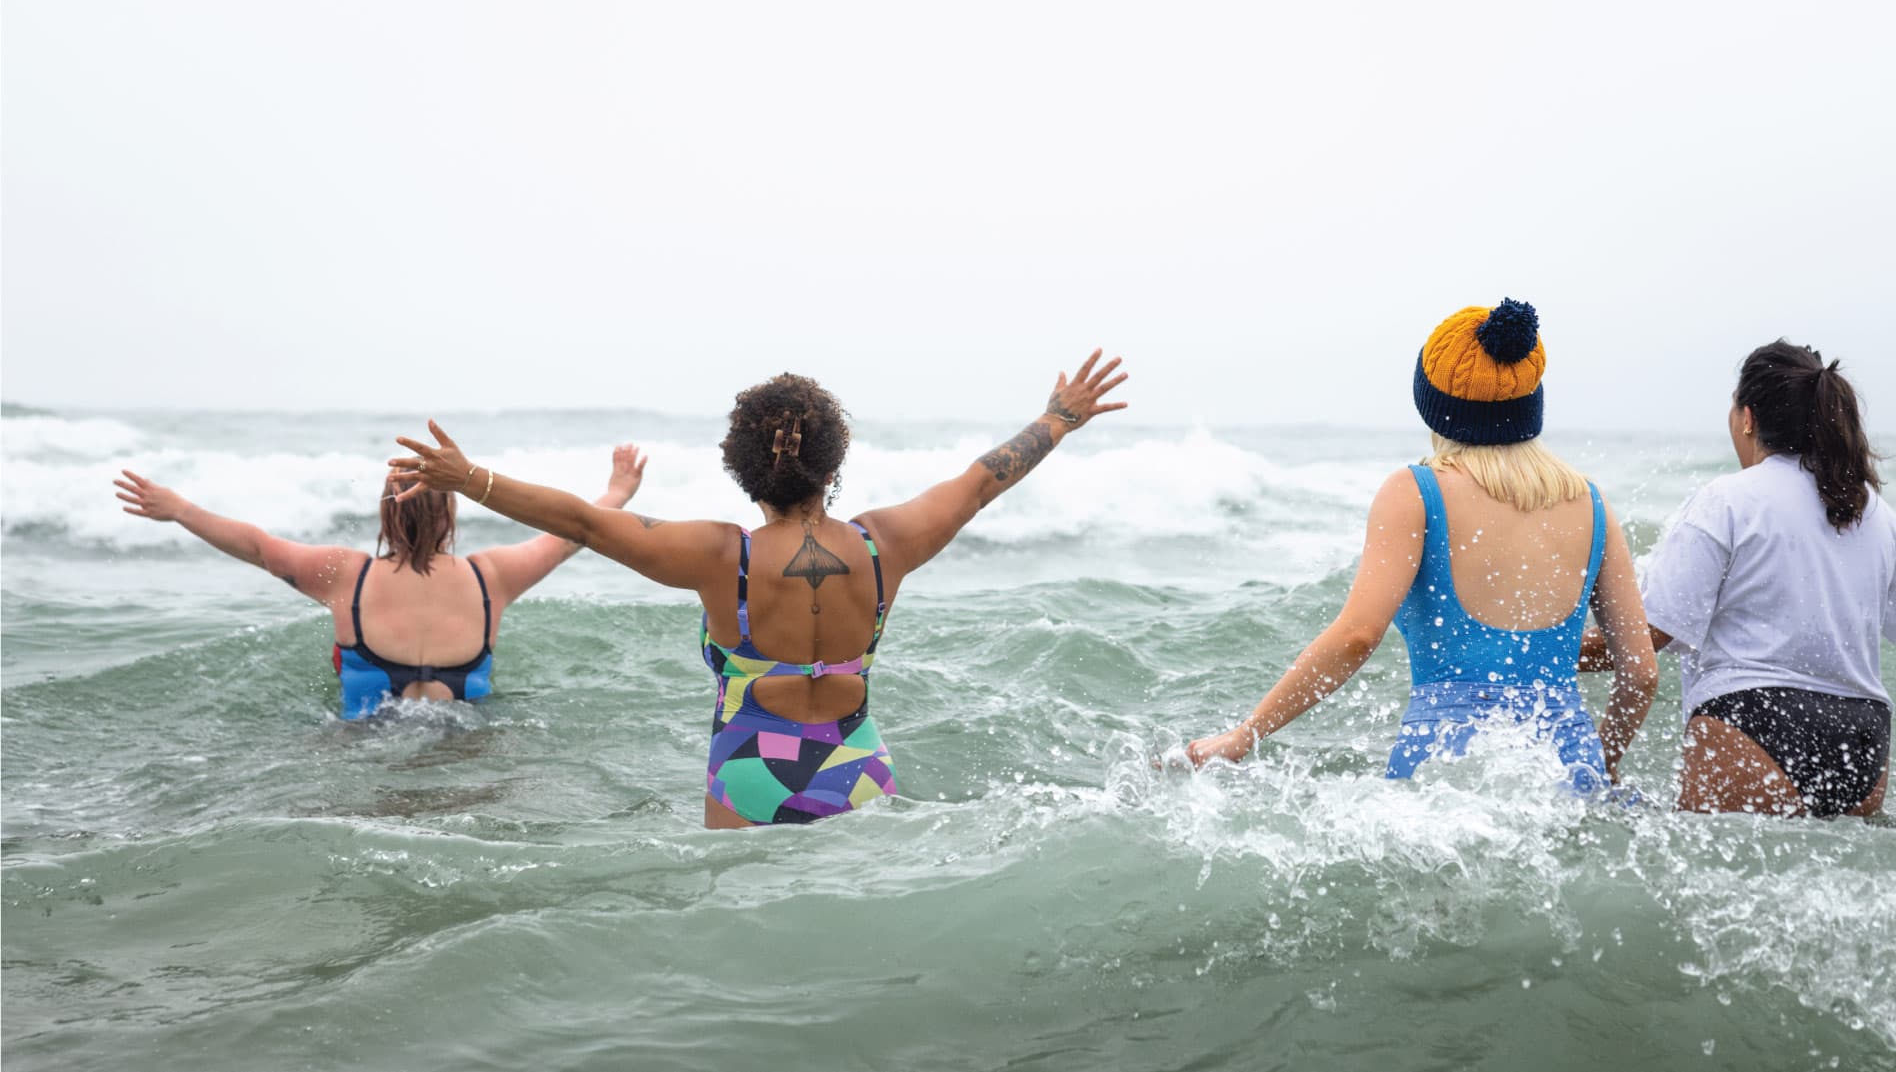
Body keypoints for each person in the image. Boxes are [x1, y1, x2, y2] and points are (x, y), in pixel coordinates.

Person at [389, 351, 1129, 828]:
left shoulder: (721, 557)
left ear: (740, 468)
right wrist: (1058, 419)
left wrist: (472, 479)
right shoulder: (885, 544)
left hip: (749, 771)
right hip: (859, 769)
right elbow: (979, 483)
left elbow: (582, 519)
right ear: (834, 463)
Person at [1185, 299, 1657, 790]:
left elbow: (1357, 637)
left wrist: (1245, 734)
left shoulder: (1416, 492)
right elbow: (1641, 673)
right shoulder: (1592, 503)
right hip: (1569, 765)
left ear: (1433, 404)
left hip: (1446, 771)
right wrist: (1604, 762)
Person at [1582, 341, 1893, 817]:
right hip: (1862, 737)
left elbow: (1651, 635)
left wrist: (1546, 648)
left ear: (1747, 418)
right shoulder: (1873, 510)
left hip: (1752, 719)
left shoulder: (1726, 500)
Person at [114, 445, 647, 718]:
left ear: (386, 514)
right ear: (450, 515)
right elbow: (571, 535)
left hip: (364, 744)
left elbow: (256, 547)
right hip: (465, 745)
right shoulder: (493, 578)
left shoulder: (344, 575)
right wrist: (617, 492)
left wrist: (181, 509)